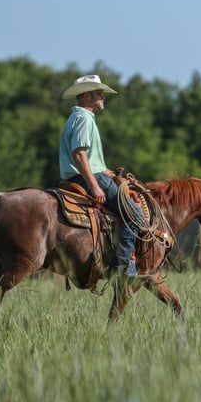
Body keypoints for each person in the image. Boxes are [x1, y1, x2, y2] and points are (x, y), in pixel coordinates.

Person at [59, 74, 144, 276]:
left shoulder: (79, 117)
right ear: (87, 95)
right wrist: (96, 186)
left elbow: (93, 161)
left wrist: (115, 176)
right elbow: (79, 154)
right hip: (88, 178)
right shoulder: (83, 118)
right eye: (99, 93)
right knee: (135, 214)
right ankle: (122, 267)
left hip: (88, 175)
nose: (103, 97)